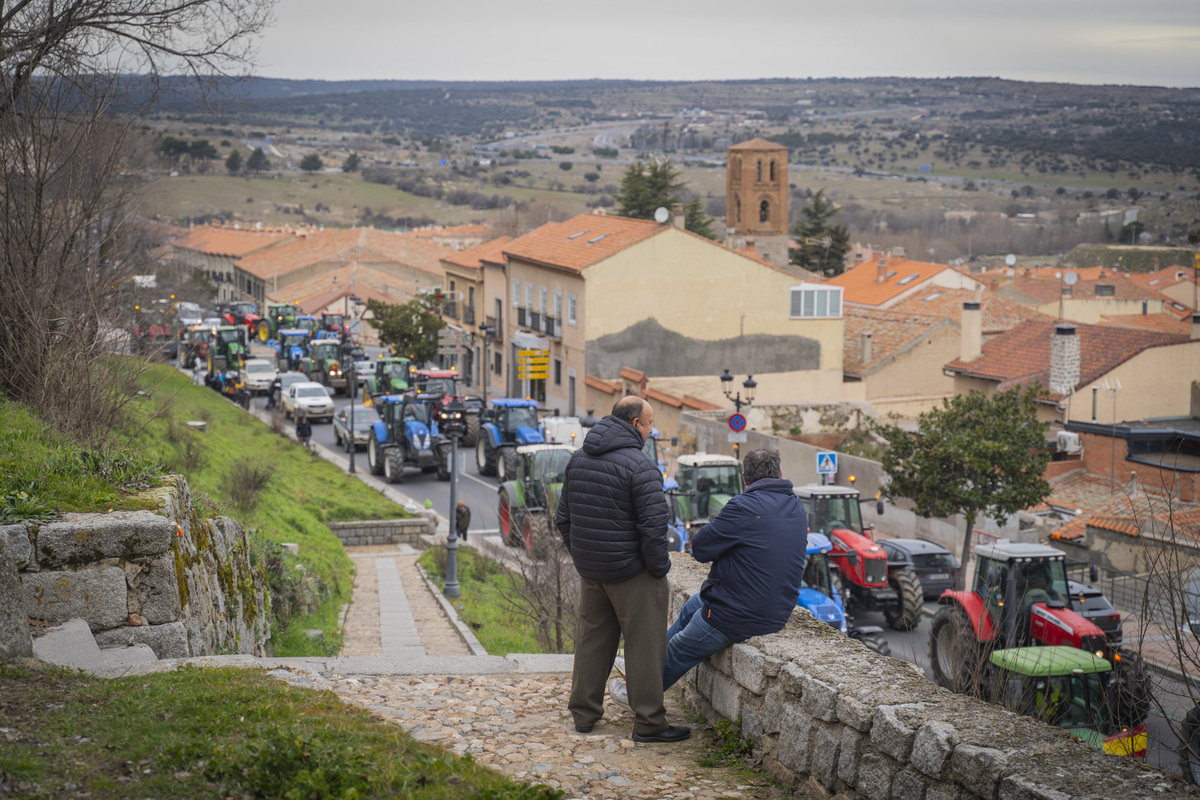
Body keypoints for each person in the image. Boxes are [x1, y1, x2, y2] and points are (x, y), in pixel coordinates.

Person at [608, 449, 808, 703]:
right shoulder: (796, 506)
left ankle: (638, 696)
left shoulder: (743, 507)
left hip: (739, 614)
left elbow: (701, 549)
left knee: (681, 648)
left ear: (745, 477)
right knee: (691, 608)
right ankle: (640, 665)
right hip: (776, 608)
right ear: (780, 473)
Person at [556, 396, 687, 743]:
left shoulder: (578, 459)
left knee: (591, 640)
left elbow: (563, 519)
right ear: (634, 425)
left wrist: (584, 557)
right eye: (648, 423)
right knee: (645, 644)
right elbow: (654, 527)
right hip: (632, 573)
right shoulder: (640, 466)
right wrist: (657, 568)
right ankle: (649, 723)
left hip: (593, 571)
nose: (651, 428)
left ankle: (583, 714)